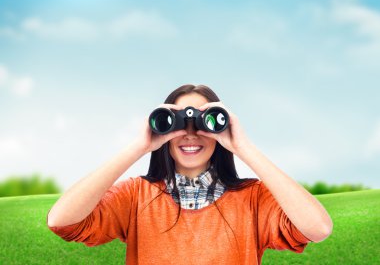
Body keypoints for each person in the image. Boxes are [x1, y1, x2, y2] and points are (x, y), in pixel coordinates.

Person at [47, 84, 333, 264]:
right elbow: (61, 220)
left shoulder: (253, 200)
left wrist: (243, 147)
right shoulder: (135, 196)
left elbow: (318, 228)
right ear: (163, 129)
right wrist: (140, 146)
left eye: (202, 122)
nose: (190, 134)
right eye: (179, 123)